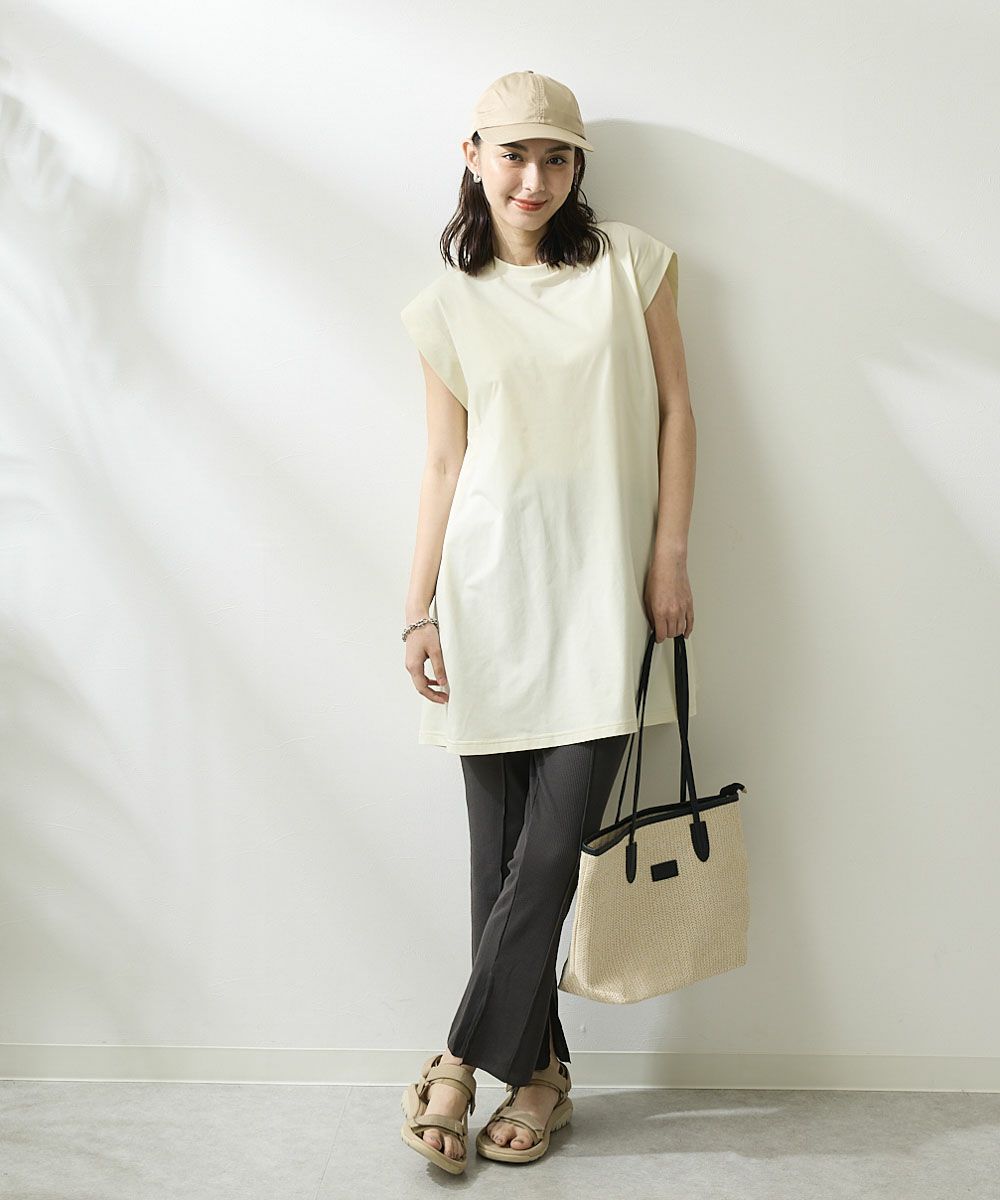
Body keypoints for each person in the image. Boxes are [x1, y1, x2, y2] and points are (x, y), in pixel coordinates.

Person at [398, 70, 699, 1173]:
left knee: (551, 850)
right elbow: (444, 464)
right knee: (500, 865)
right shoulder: (443, 305)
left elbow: (676, 409)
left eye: (556, 157)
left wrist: (668, 554)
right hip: (487, 597)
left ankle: (455, 1060)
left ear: (577, 167)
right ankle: (540, 1079)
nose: (534, 178)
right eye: (514, 154)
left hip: (602, 598)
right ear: (472, 156)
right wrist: (417, 610)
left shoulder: (631, 264)